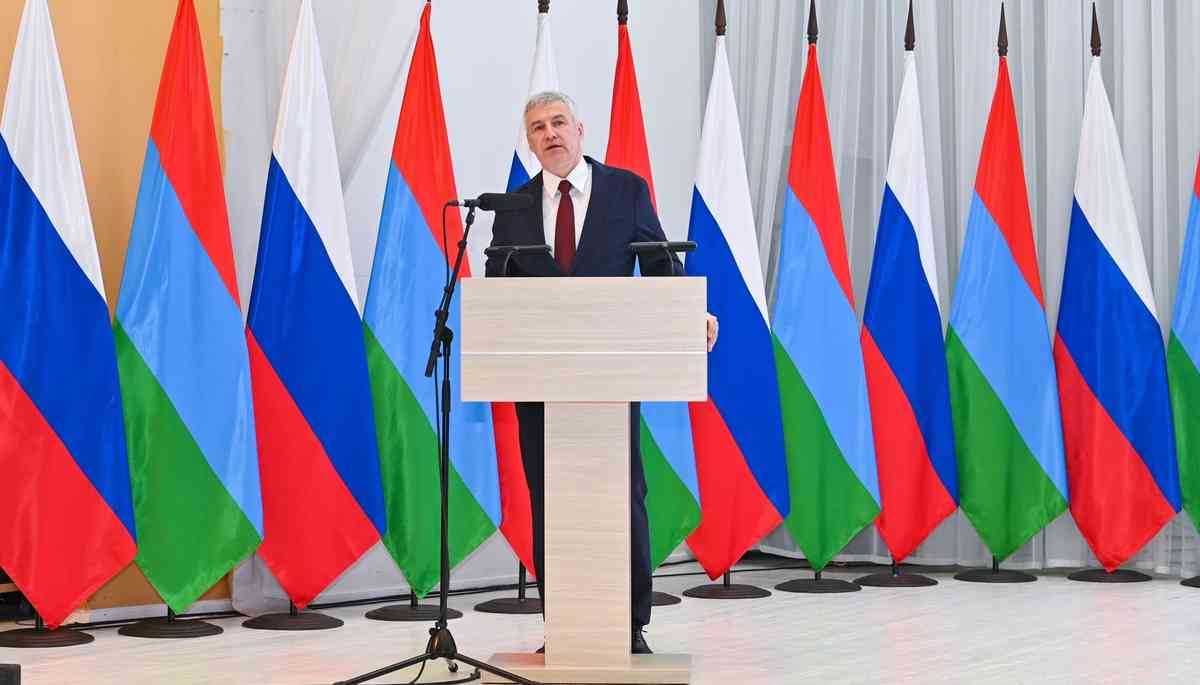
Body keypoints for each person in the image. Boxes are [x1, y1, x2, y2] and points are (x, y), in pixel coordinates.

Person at [484, 91, 717, 656]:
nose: (550, 133)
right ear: (529, 141)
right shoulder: (512, 207)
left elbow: (660, 261)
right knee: (550, 500)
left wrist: (690, 313)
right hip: (541, 380)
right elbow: (497, 288)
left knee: (621, 496)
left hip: (610, 376)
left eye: (558, 122)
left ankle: (630, 623)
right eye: (537, 127)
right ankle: (563, 624)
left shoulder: (625, 189)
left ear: (580, 129)